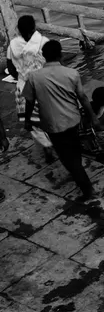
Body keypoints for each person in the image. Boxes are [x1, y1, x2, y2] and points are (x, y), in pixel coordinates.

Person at [22, 40, 97, 201]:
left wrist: (28, 120)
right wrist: (93, 117)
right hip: (73, 119)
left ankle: (86, 188)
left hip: (52, 124)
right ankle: (78, 171)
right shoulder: (72, 73)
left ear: (43, 56)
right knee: (74, 150)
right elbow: (83, 98)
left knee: (66, 157)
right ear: (60, 54)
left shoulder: (34, 77)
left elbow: (29, 101)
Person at [6, 15, 55, 162]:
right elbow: (54, 64)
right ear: (34, 27)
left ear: (19, 30)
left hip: (23, 86)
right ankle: (52, 140)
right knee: (48, 115)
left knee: (31, 120)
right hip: (44, 85)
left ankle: (45, 144)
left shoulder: (12, 45)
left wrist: (23, 74)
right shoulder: (44, 42)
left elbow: (11, 70)